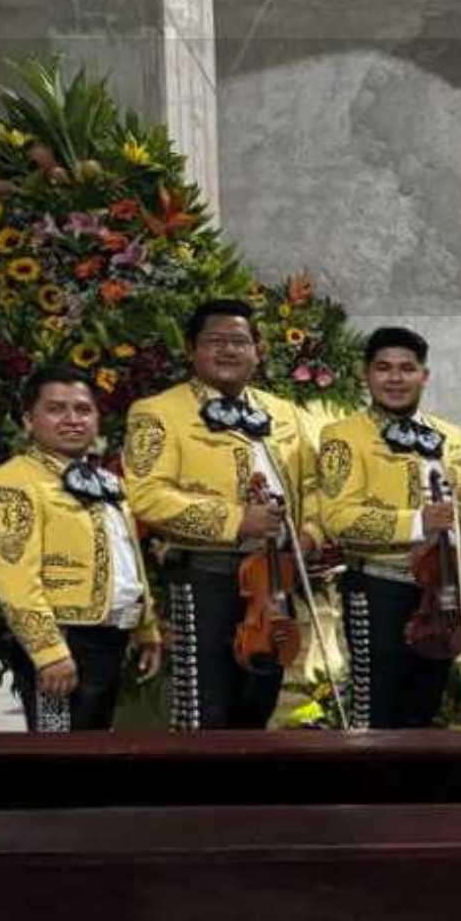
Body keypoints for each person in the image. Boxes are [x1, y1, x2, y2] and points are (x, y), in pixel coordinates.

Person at [125, 298, 324, 730]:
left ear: (257, 350)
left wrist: (310, 533)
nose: (229, 350)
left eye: (239, 341)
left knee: (259, 703)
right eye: (216, 341)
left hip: (275, 579)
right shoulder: (158, 413)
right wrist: (235, 520)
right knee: (206, 713)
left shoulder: (285, 413)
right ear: (192, 349)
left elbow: (316, 486)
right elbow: (146, 496)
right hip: (205, 576)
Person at [0, 365, 162, 730]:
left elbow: (129, 561)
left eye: (83, 409)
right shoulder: (12, 483)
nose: (72, 419)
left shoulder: (108, 482)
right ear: (28, 420)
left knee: (96, 747)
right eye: (56, 409)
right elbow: (15, 582)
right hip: (63, 640)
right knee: (59, 748)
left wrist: (146, 628)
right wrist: (48, 653)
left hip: (112, 638)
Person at [317, 327, 461, 729]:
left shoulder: (454, 437)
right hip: (378, 587)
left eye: (407, 368)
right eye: (384, 368)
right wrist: (417, 521)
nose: (395, 378)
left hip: (442, 592)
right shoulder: (342, 436)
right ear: (366, 374)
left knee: (427, 708)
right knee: (378, 713)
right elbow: (337, 517)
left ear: (424, 376)